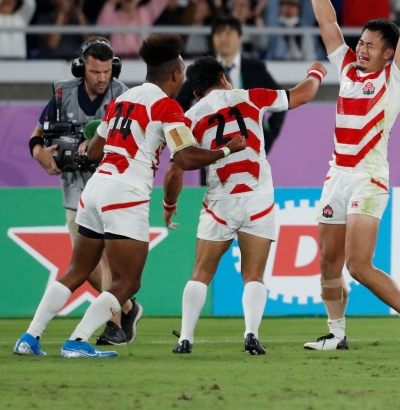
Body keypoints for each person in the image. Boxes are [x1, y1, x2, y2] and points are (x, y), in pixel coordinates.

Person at [14, 35, 248, 358]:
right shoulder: (168, 107)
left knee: (75, 270)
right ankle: (78, 341)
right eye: (181, 72)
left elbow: (95, 150)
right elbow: (184, 159)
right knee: (127, 283)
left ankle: (30, 337)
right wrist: (225, 149)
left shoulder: (121, 101)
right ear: (176, 75)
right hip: (126, 193)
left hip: (94, 189)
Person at [298, 0, 400, 352]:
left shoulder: (395, 79)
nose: (360, 47)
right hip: (336, 175)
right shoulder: (345, 66)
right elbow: (327, 20)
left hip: (369, 178)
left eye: (370, 45)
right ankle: (337, 333)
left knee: (358, 266)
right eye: (360, 41)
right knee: (329, 262)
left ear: (389, 54)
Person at [166, 56, 325, 355]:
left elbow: (176, 168)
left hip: (220, 201)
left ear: (196, 92)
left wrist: (168, 203)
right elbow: (303, 94)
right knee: (253, 275)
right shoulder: (251, 96)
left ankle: (185, 338)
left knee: (200, 273)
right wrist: (316, 72)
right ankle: (251, 334)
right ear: (225, 78)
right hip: (257, 198)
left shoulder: (190, 116)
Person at [28, 38, 135, 345]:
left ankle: (114, 325)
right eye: (94, 72)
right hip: (75, 189)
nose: (102, 78)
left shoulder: (124, 95)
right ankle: (127, 307)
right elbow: (37, 135)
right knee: (85, 266)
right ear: (81, 68)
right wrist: (40, 153)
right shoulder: (62, 93)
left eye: (106, 71)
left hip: (112, 189)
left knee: (107, 262)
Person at [177, 16, 285, 153]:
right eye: (219, 34)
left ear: (240, 38)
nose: (224, 38)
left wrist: (269, 134)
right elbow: (181, 102)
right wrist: (190, 139)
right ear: (213, 39)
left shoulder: (255, 69)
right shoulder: (203, 70)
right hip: (212, 152)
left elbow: (279, 99)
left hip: (250, 149)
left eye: (229, 33)